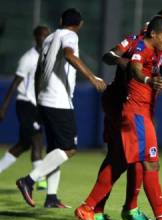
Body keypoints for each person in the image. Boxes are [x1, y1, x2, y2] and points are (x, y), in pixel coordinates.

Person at [75, 15, 162, 220]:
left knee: (120, 160)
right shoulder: (139, 45)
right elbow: (130, 65)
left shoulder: (161, 50)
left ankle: (90, 208)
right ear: (155, 30)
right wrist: (147, 79)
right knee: (148, 163)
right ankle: (160, 218)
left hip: (140, 112)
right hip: (129, 111)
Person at [15, 8, 106, 208]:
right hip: (58, 101)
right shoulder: (70, 35)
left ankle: (51, 197)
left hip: (44, 99)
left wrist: (38, 96)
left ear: (60, 20)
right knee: (69, 148)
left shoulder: (49, 38)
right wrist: (92, 78)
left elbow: (40, 69)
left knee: (55, 149)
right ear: (80, 24)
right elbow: (69, 54)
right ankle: (28, 181)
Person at [0, 26, 49, 190]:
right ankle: (40, 179)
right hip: (25, 104)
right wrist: (4, 108)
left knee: (23, 144)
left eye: (47, 36)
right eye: (41, 36)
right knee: (37, 141)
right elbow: (15, 84)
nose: (44, 38)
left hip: (37, 105)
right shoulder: (28, 58)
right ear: (35, 37)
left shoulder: (47, 57)